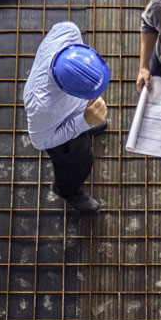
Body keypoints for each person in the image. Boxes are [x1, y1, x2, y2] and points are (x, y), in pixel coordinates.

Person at [24, 21, 112, 215]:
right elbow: (41, 141)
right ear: (68, 91)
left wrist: (86, 115)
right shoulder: (43, 107)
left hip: (73, 111)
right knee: (79, 163)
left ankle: (87, 125)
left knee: (87, 127)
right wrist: (83, 122)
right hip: (58, 128)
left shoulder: (67, 32)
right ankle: (67, 190)